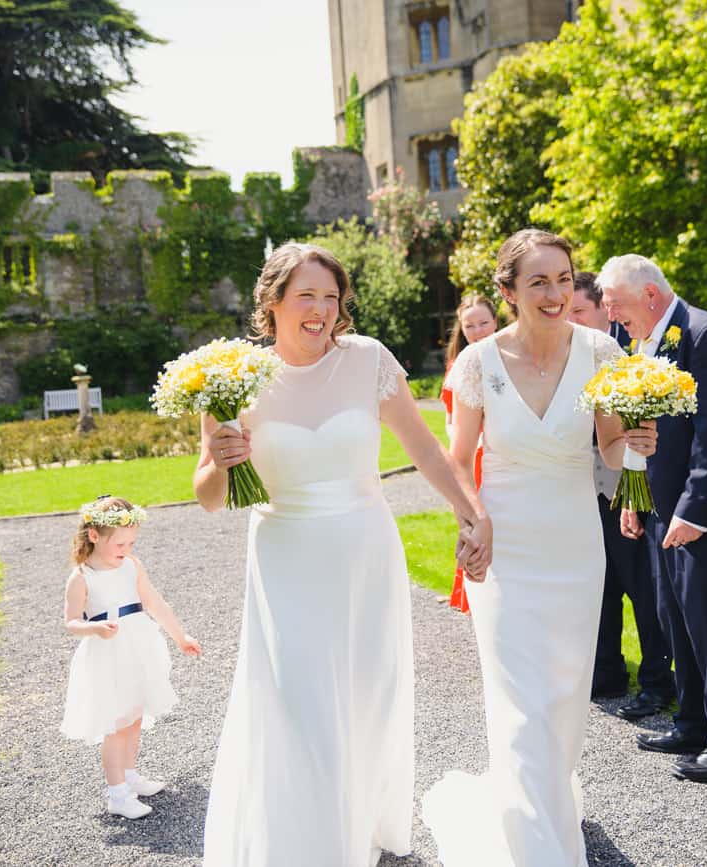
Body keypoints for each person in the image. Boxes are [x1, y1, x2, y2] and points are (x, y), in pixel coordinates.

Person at [197, 243, 491, 866]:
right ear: (272, 302)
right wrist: (221, 463)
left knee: (366, 691)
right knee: (298, 699)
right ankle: (310, 840)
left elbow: (428, 451)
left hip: (364, 549)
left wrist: (471, 511)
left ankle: (360, 819)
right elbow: (207, 497)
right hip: (285, 556)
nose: (322, 310)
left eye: (332, 297)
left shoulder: (369, 362)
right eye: (307, 295)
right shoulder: (230, 380)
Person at [421, 230, 657, 866]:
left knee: (562, 691)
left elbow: (607, 448)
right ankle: (539, 850)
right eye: (537, 282)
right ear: (508, 292)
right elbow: (456, 460)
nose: (554, 294)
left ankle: (545, 803)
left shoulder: (603, 350)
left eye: (562, 279)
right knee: (517, 698)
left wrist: (636, 441)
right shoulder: (478, 363)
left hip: (575, 544)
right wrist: (473, 523)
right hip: (503, 547)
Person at [601, 254, 707, 783]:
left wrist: (694, 513)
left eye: (618, 306)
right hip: (655, 508)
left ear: (650, 295)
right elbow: (640, 430)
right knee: (675, 621)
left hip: (706, 516)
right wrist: (633, 494)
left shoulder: (705, 335)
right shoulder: (635, 339)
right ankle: (691, 723)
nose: (611, 317)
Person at [569, 271, 675, 712]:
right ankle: (605, 671)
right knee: (598, 585)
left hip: (627, 491)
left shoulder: (628, 355)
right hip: (579, 493)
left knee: (642, 589)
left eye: (580, 311)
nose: (571, 319)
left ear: (602, 311)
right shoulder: (565, 356)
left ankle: (656, 680)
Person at [60, 496, 201, 820]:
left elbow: (154, 602)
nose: (126, 549)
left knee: (135, 715)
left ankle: (130, 773)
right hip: (109, 653)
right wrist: (93, 628)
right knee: (116, 722)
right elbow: (71, 622)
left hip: (139, 646)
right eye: (120, 543)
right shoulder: (82, 576)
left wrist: (181, 637)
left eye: (131, 542)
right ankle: (117, 793)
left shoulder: (131, 565)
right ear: (94, 536)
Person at [441, 292, 499, 612]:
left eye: (483, 323)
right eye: (469, 325)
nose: (477, 331)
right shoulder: (458, 366)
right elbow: (452, 421)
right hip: (472, 453)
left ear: (496, 322)